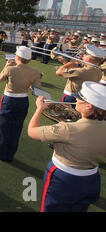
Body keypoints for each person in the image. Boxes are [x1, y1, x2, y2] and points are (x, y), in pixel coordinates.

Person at [28, 82, 106, 212]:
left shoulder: (69, 129)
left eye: (81, 98)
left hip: (64, 179)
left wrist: (39, 109)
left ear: (88, 106)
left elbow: (32, 131)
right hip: (91, 179)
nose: (76, 99)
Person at [0, 46, 42, 162]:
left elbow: (0, 79)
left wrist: (6, 66)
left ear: (18, 57)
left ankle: (2, 154)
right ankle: (10, 154)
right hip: (23, 101)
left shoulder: (11, 69)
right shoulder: (35, 72)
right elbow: (37, 89)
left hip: (9, 100)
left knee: (5, 128)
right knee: (17, 128)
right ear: (29, 59)